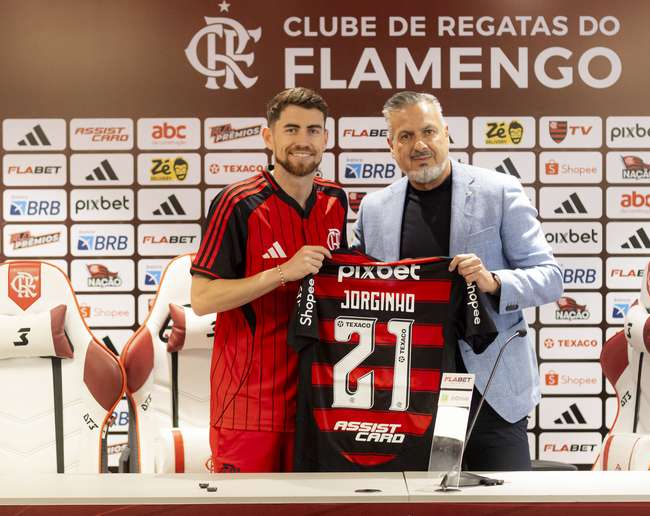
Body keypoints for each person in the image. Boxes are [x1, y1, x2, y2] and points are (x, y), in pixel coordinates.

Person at [352, 91, 563, 471]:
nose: (419, 145)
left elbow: (550, 278)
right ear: (391, 146)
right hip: (407, 394)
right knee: (414, 500)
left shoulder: (499, 191)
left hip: (492, 391)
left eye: (428, 131)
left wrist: (493, 281)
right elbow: (357, 288)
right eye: (405, 136)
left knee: (505, 501)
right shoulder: (374, 209)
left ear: (446, 133)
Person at [190, 87, 348, 473]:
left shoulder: (336, 200)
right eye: (291, 129)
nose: (303, 140)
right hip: (249, 403)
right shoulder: (238, 202)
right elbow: (203, 298)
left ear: (325, 139)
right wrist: (282, 273)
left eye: (313, 130)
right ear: (268, 137)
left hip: (317, 402)